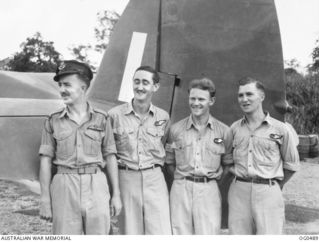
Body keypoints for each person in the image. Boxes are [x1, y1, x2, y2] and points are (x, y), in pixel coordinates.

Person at [39, 60, 122, 234]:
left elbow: (110, 156)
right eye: (60, 85)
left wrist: (116, 195)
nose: (62, 90)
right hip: (64, 184)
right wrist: (45, 199)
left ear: (83, 88)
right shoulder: (52, 121)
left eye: (67, 85)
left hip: (96, 184)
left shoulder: (102, 119)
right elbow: (45, 161)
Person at [228, 77, 300, 234]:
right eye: (240, 95)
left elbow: (292, 165)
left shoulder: (281, 129)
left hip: (268, 192)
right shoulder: (234, 128)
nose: (244, 99)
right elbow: (226, 159)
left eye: (249, 94)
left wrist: (273, 186)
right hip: (239, 192)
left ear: (261, 97)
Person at [108, 65, 172, 234]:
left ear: (155, 87)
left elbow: (163, 144)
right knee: (130, 231)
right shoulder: (114, 115)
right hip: (126, 178)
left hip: (155, 178)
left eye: (145, 82)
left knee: (161, 230)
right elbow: (110, 155)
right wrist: (115, 192)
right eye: (136, 82)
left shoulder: (163, 117)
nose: (140, 87)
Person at [165, 77, 233, 234]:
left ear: (211, 101)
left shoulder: (224, 131)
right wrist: (183, 180)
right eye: (192, 98)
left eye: (201, 99)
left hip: (208, 188)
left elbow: (228, 164)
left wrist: (211, 183)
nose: (196, 103)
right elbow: (170, 162)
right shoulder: (175, 130)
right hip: (181, 188)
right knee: (180, 233)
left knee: (208, 232)